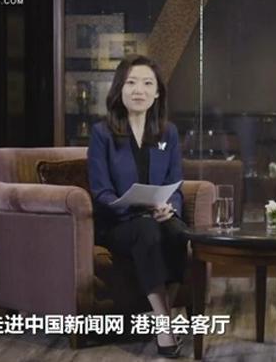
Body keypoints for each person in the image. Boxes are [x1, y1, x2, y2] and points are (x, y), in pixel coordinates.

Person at [88, 55, 186, 358]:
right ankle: (164, 326)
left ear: (157, 93)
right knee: (146, 229)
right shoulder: (102, 133)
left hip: (155, 217)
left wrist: (170, 207)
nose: (138, 90)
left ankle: (161, 313)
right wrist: (126, 205)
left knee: (178, 231)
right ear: (119, 89)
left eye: (147, 83)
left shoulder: (168, 133)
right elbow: (100, 190)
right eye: (131, 82)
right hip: (117, 223)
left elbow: (175, 183)